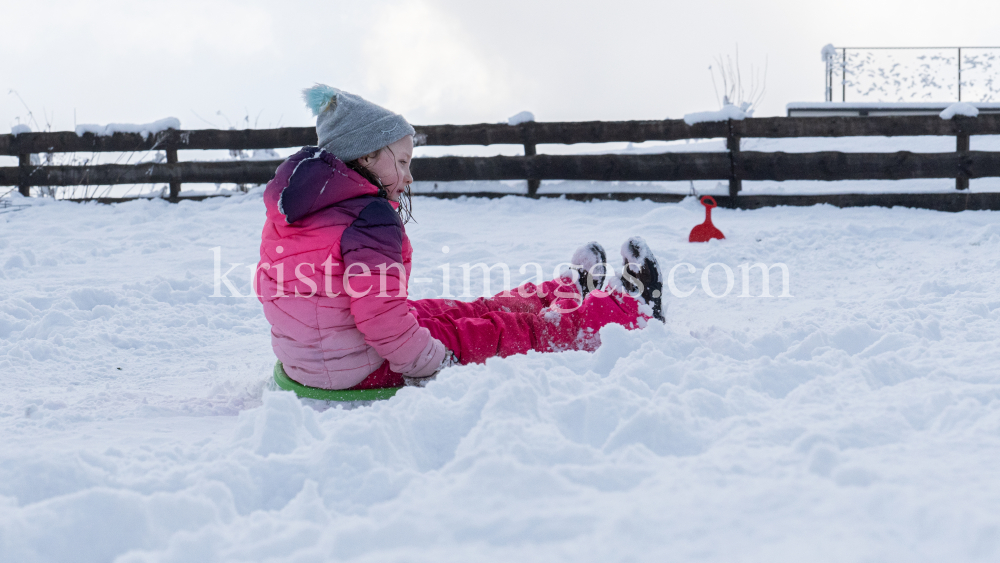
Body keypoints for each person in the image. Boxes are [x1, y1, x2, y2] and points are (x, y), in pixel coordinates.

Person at [257, 85, 665, 391]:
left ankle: (563, 289)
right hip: (363, 366)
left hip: (318, 358)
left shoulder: (295, 209)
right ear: (364, 156)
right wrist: (429, 361)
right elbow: (381, 319)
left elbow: (287, 292)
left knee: (451, 310)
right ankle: (627, 312)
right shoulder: (368, 217)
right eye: (401, 161)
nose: (408, 175)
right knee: (498, 331)